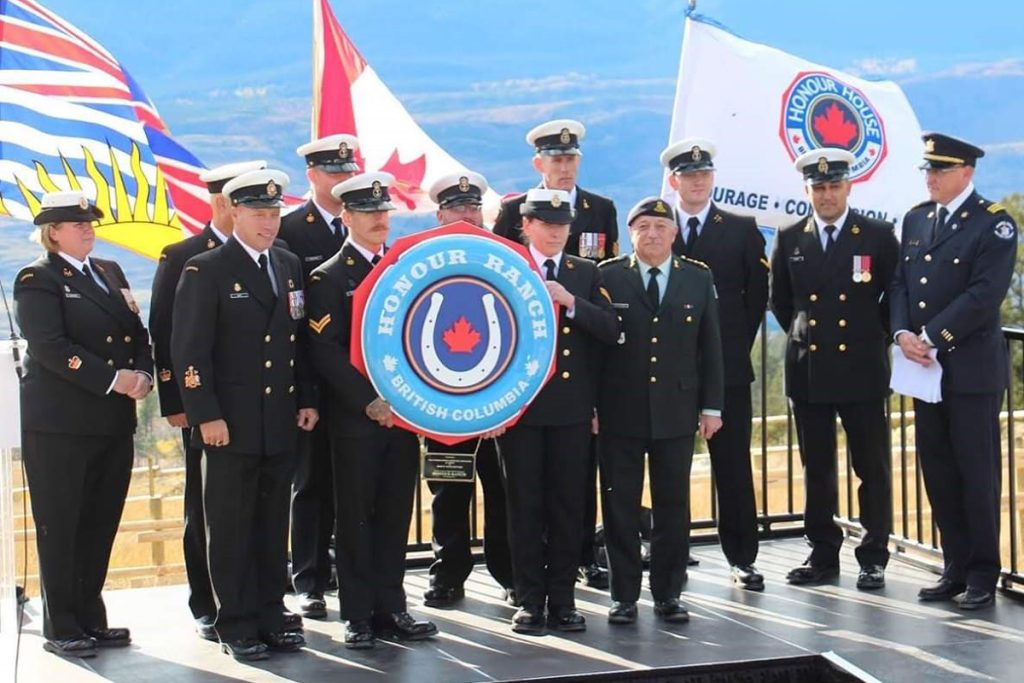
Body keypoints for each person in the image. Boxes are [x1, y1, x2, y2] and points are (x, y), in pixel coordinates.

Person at [172, 169, 317, 661]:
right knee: (230, 527)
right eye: (258, 213)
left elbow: (299, 344)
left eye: (274, 212)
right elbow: (190, 352)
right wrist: (204, 414)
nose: (269, 222)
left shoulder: (288, 263)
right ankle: (235, 621)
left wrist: (306, 400)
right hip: (228, 424)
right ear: (234, 212)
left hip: (277, 419)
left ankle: (271, 613)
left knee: (271, 523)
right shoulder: (206, 268)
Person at [14, 191, 153, 658]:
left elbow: (137, 332)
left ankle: (92, 617)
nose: (89, 229)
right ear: (53, 232)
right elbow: (50, 346)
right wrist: (115, 379)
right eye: (78, 225)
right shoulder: (38, 277)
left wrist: (143, 374)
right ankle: (63, 624)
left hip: (112, 422)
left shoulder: (109, 273)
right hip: (61, 425)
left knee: (99, 521)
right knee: (62, 523)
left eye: (91, 222)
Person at [305, 172, 438, 649]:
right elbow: (325, 351)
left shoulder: (403, 268)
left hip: (403, 419)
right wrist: (368, 401)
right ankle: (358, 614)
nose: (379, 219)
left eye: (383, 211)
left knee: (395, 513)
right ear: (347, 217)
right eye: (368, 212)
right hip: (357, 420)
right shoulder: (328, 276)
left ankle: (392, 607)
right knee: (357, 517)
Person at [891, 133, 1017, 610]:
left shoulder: (993, 225)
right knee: (938, 471)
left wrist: (932, 337)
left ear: (967, 172)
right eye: (928, 170)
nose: (932, 178)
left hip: (968, 369)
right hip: (924, 371)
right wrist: (902, 333)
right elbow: (901, 282)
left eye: (940, 171)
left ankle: (984, 571)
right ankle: (955, 565)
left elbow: (984, 295)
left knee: (976, 472)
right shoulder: (918, 218)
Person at [492, 118, 619, 588]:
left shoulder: (590, 246)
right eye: (556, 158)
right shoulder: (511, 222)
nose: (557, 231)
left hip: (570, 399)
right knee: (522, 504)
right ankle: (526, 593)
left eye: (571, 158)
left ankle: (564, 594)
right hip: (520, 399)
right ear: (525, 226)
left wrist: (572, 303)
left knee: (570, 501)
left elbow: (608, 321)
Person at [769, 149, 898, 590]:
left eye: (834, 186)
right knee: (817, 467)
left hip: (862, 366)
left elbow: (892, 298)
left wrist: (871, 335)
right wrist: (806, 335)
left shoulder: (877, 235)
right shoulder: (790, 237)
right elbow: (781, 302)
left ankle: (873, 555)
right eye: (818, 187)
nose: (826, 194)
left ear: (849, 186)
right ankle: (823, 551)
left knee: (872, 467)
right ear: (807, 190)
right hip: (810, 368)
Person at [148, 159, 265, 640]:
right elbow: (167, 333)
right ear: (222, 203)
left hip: (254, 410)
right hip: (202, 406)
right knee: (206, 508)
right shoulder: (183, 256)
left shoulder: (265, 253)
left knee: (251, 506)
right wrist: (179, 402)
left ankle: (256, 599)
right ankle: (207, 601)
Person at [598, 197, 724, 625]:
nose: (652, 234)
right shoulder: (608, 276)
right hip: (620, 412)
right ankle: (624, 595)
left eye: (660, 226)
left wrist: (712, 407)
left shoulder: (697, 278)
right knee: (620, 506)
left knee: (673, 506)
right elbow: (593, 349)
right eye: (643, 227)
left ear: (674, 233)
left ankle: (668, 593)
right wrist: (593, 407)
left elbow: (711, 347)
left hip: (677, 409)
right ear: (630, 234)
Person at [662, 138, 769, 589]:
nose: (697, 182)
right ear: (674, 181)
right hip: (670, 374)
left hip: (726, 373)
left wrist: (727, 354)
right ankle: (674, 555)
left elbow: (756, 299)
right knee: (671, 468)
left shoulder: (742, 229)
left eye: (704, 174)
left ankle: (742, 557)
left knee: (733, 466)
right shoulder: (658, 227)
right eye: (688, 176)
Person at [420, 171, 515, 608]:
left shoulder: (505, 256)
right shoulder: (420, 258)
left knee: (502, 491)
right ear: (440, 214)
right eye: (458, 207)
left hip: (497, 398)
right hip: (441, 400)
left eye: (473, 207)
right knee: (447, 490)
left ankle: (510, 571)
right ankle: (448, 573)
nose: (467, 215)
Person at [280, 133, 360, 620]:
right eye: (334, 173)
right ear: (312, 176)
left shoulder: (361, 229)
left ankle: (347, 573)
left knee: (350, 484)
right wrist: (305, 391)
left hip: (354, 387)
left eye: (348, 172)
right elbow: (292, 325)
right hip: (311, 384)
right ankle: (308, 578)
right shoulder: (290, 230)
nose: (343, 180)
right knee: (310, 486)